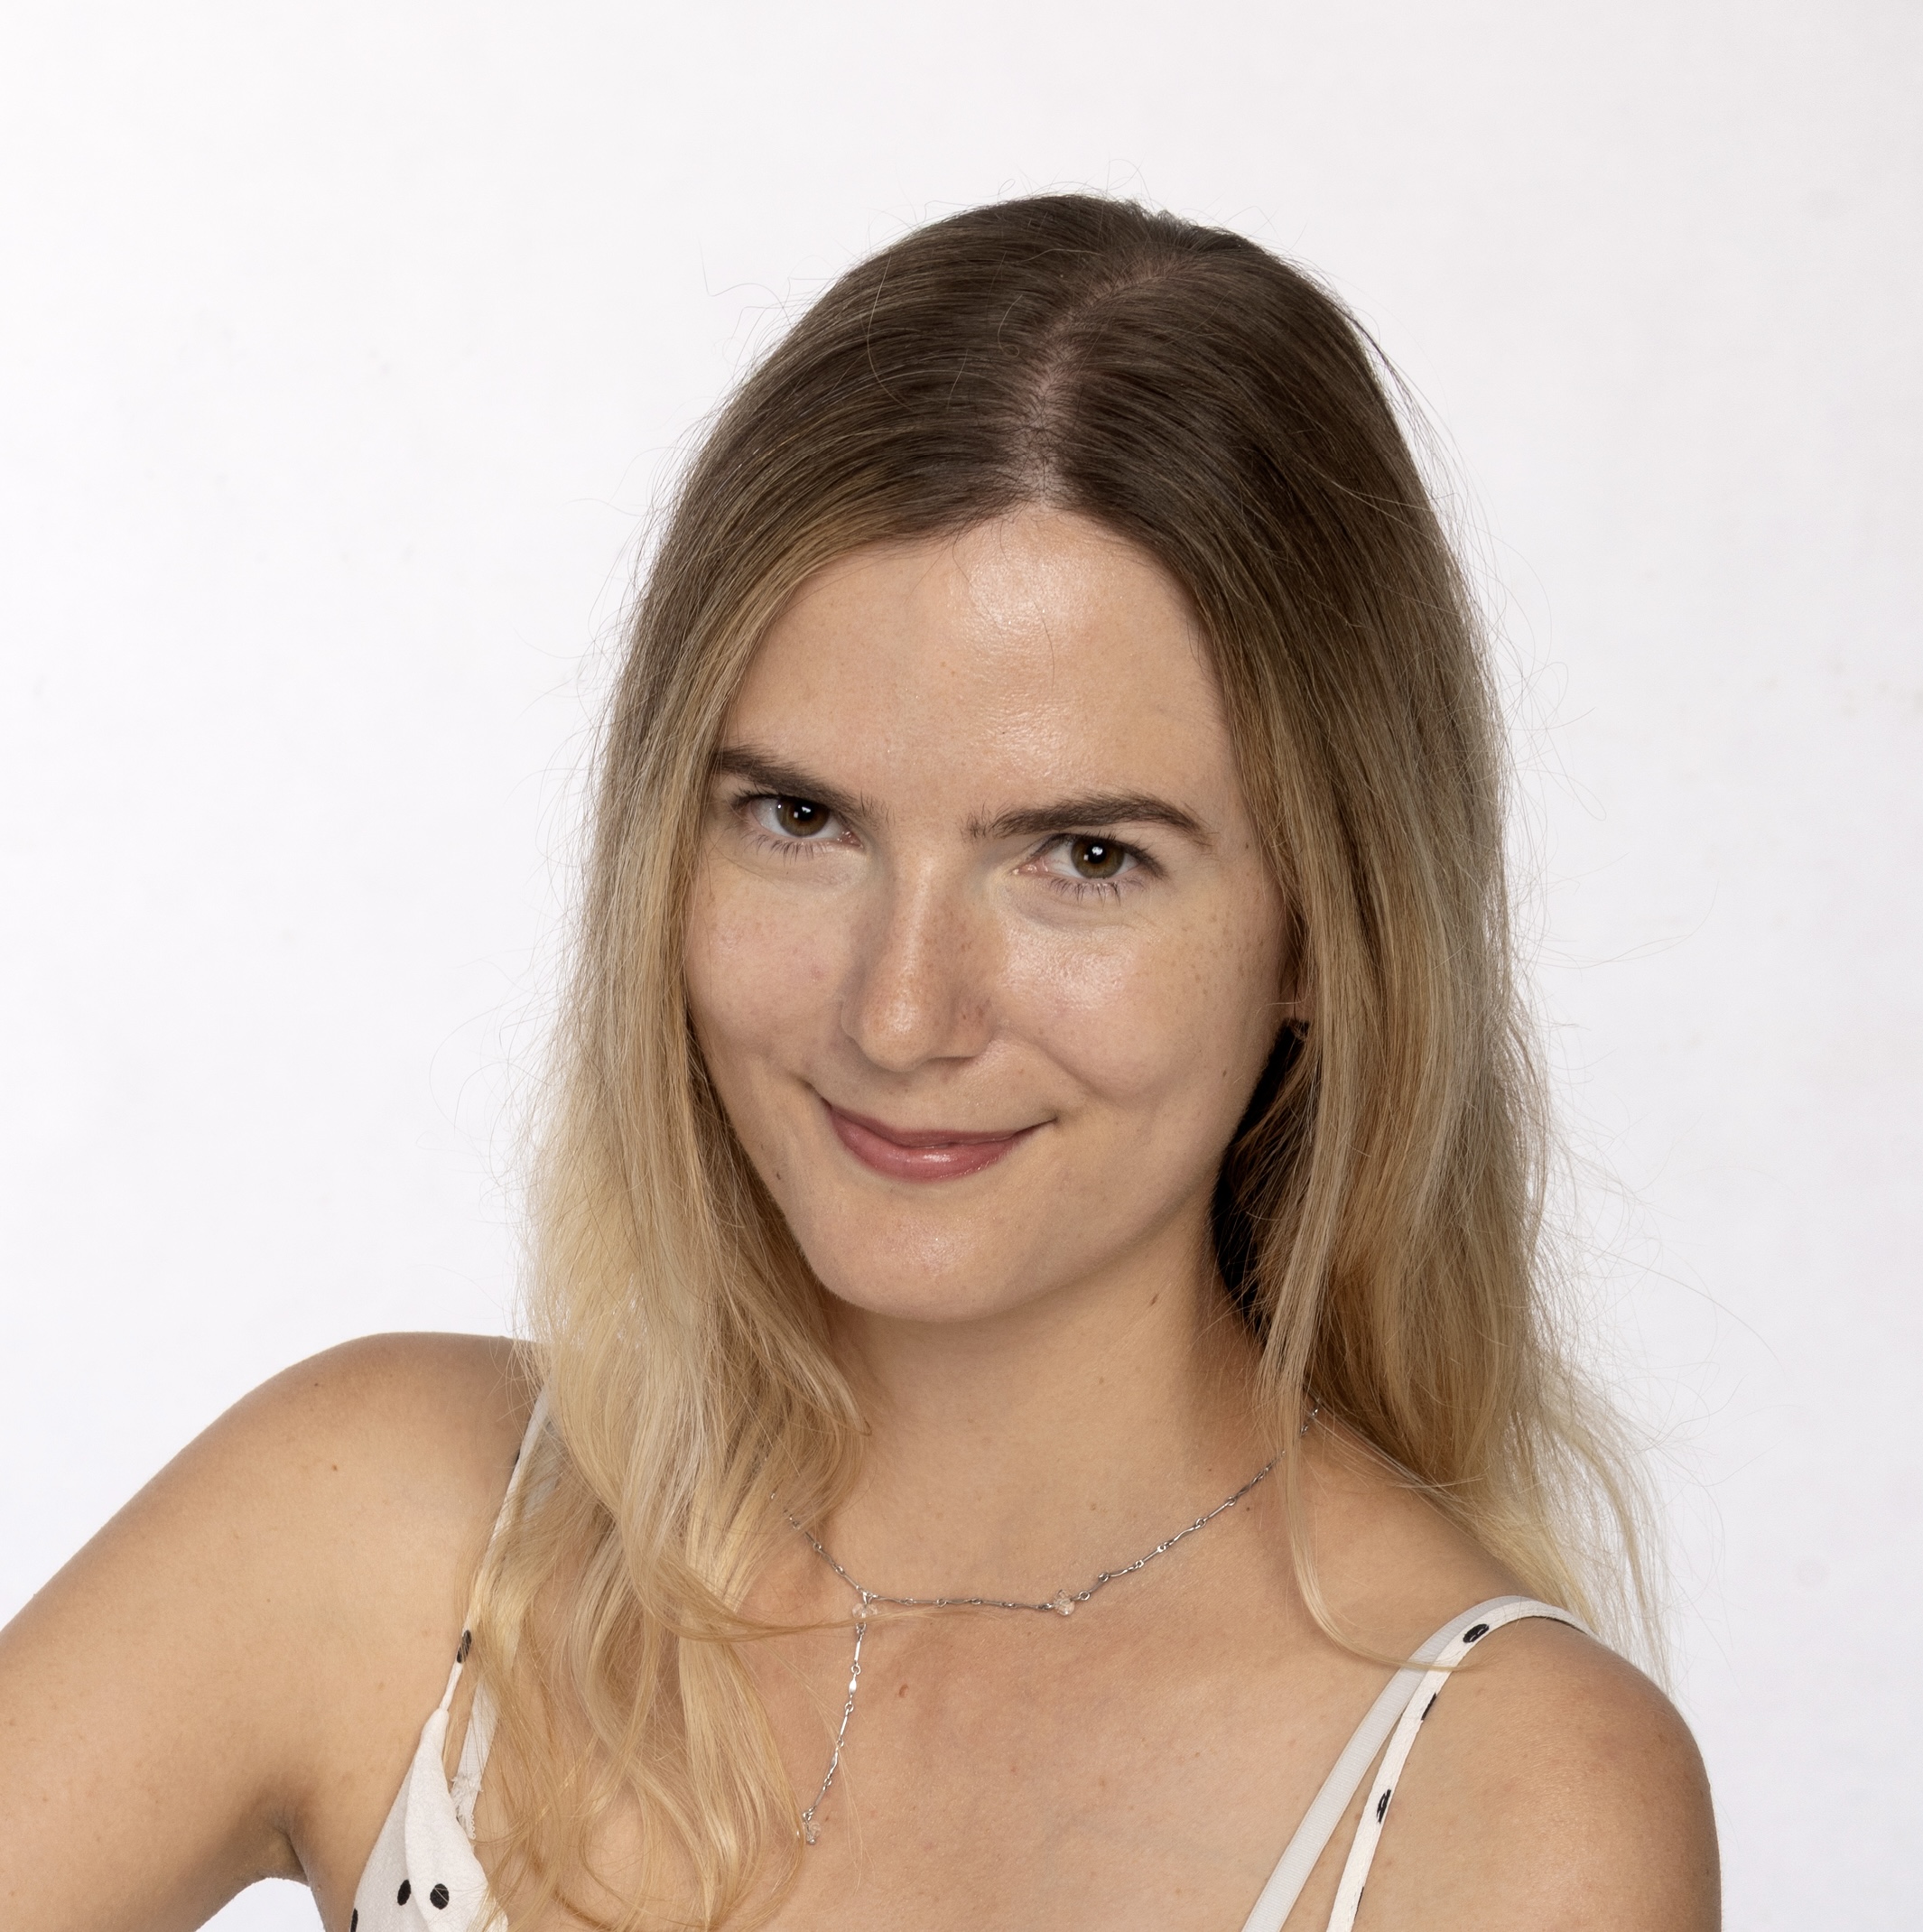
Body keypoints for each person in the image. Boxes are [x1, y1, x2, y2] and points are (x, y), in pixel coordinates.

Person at [0, 194, 1719, 1931]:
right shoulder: (387, 1536)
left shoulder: (1504, 1802)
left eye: (1086, 858)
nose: (900, 1014)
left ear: (1328, 940)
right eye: (801, 819)